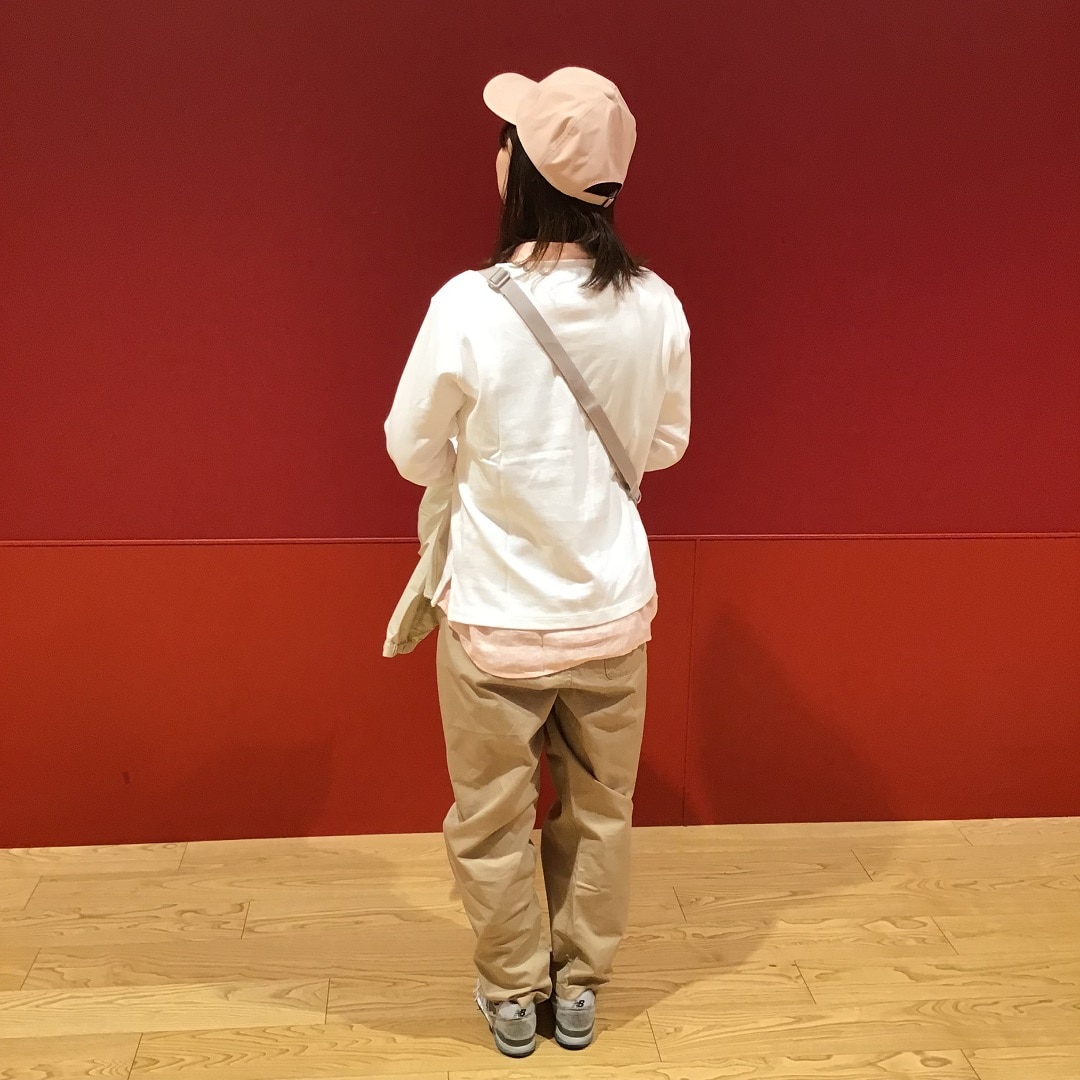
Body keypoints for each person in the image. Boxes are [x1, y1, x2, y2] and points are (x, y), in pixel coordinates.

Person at [384, 66, 691, 1058]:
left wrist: (491, 463)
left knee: (491, 818)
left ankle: (513, 992)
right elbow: (666, 445)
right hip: (613, 613)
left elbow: (409, 449)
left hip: (495, 619)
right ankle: (580, 988)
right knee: (601, 811)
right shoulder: (656, 303)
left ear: (519, 169)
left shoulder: (468, 307)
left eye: (507, 136)